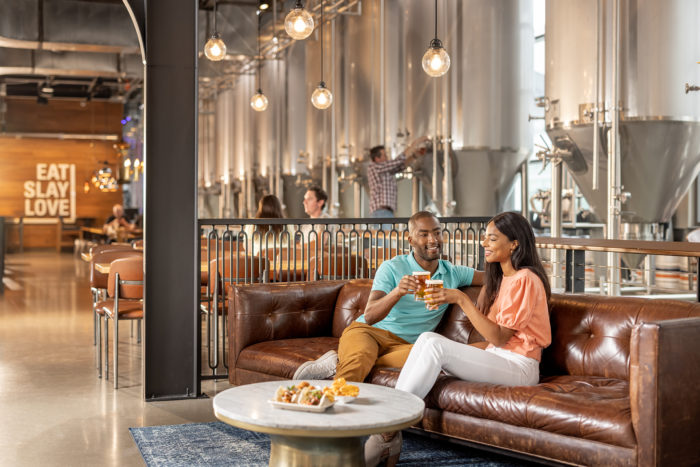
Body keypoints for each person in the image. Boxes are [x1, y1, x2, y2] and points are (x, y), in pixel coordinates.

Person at [364, 211, 552, 466]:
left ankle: (388, 428)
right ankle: (390, 432)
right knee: (427, 340)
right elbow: (493, 342)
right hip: (498, 357)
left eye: (492, 239)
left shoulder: (526, 279)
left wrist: (460, 298)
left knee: (433, 343)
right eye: (485, 238)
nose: (484, 243)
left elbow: (497, 337)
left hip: (520, 367)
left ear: (514, 243)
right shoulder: (504, 279)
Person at [292, 211, 484, 384]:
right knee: (359, 360)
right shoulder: (392, 267)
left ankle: (338, 361)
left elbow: (492, 277)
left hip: (408, 345)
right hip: (369, 333)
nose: (433, 239)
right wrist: (397, 292)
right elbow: (370, 316)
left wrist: (483, 292)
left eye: (437, 232)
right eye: (424, 234)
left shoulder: (453, 272)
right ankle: (331, 412)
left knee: (434, 356)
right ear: (411, 240)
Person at [367, 136, 429, 221]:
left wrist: (414, 155)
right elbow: (397, 161)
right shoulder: (375, 167)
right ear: (377, 158)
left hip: (385, 212)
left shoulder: (384, 171)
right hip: (381, 212)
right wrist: (415, 143)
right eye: (384, 155)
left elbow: (400, 166)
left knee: (386, 234)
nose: (387, 157)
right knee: (386, 234)